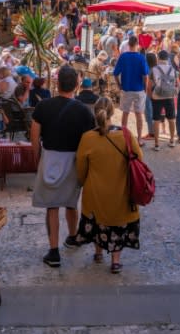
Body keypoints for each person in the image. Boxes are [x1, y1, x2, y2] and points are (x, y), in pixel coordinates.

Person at [31, 66, 96, 267]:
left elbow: (34, 137)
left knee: (52, 206)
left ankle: (53, 251)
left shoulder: (43, 107)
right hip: (74, 160)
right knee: (70, 201)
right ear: (77, 85)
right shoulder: (84, 111)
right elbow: (90, 141)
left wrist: (37, 159)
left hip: (50, 158)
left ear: (57, 84)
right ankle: (73, 236)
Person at [73, 97, 143, 273]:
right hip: (121, 192)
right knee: (117, 223)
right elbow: (139, 159)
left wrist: (82, 182)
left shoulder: (87, 138)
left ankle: (98, 253)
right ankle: (115, 261)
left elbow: (80, 168)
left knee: (98, 221)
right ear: (113, 113)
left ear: (95, 114)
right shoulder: (126, 135)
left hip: (95, 192)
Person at [112, 36, 150, 142]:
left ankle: (124, 138)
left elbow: (115, 73)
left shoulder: (123, 57)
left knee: (125, 113)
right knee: (139, 115)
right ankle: (139, 139)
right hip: (139, 89)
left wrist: (119, 85)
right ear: (137, 45)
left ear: (128, 44)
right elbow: (146, 75)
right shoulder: (141, 58)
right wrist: (145, 88)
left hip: (126, 89)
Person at [148, 50, 178, 151]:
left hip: (157, 96)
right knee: (171, 119)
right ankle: (172, 140)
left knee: (156, 120)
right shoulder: (172, 69)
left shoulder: (154, 69)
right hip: (169, 96)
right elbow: (176, 83)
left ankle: (157, 144)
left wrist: (150, 96)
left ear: (158, 58)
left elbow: (149, 85)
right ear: (167, 58)